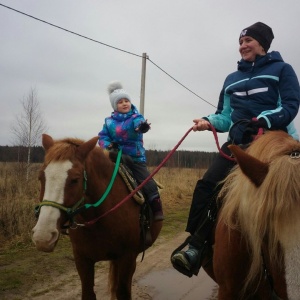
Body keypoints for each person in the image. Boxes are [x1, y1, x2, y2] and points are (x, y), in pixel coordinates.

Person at [171, 22, 300, 277]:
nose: (243, 46)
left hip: (275, 142)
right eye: (240, 42)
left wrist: (264, 119)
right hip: (239, 145)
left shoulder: (283, 70)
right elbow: (225, 116)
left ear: (262, 44)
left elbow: (290, 105)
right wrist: (208, 122)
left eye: (248, 41)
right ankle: (196, 245)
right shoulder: (231, 79)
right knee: (207, 186)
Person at [98, 81, 164, 221]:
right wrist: (108, 145)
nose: (124, 103)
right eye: (120, 102)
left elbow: (139, 124)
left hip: (135, 158)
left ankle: (156, 206)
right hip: (114, 157)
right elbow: (103, 136)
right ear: (115, 106)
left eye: (126, 100)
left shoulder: (135, 117)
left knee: (147, 182)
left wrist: (142, 127)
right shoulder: (109, 121)